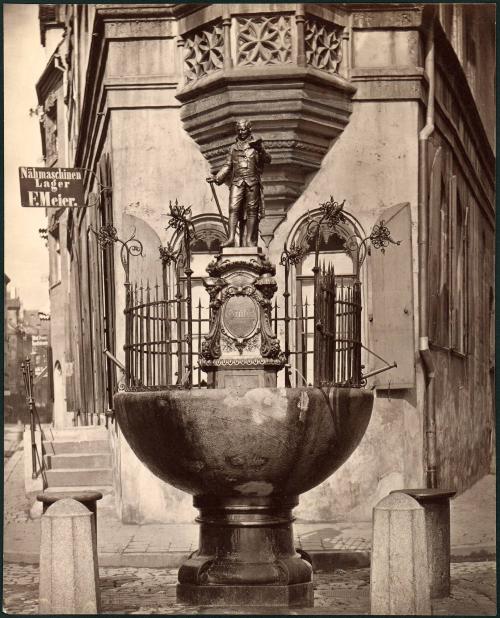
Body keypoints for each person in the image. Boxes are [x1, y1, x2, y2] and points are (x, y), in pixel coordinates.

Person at [207, 119, 271, 248]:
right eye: (239, 130)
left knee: (252, 211)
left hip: (252, 182)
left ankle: (249, 241)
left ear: (249, 129)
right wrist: (217, 178)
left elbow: (268, 160)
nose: (241, 132)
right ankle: (231, 238)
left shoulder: (256, 145)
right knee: (233, 209)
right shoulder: (233, 148)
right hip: (237, 182)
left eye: (244, 129)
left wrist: (261, 150)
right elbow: (228, 165)